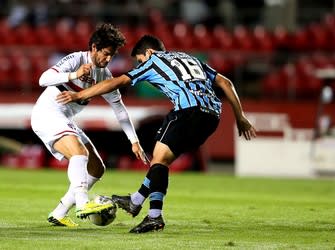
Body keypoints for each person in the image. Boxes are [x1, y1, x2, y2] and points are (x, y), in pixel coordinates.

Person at [56, 35, 256, 232]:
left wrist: (79, 94)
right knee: (161, 160)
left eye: (140, 60)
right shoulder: (192, 59)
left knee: (159, 161)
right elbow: (226, 83)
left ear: (149, 52)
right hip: (212, 117)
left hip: (188, 111)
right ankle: (135, 200)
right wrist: (240, 118)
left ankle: (154, 217)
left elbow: (117, 82)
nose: (141, 64)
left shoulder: (154, 61)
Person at [31, 23, 147, 227]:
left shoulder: (104, 76)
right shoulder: (76, 59)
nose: (108, 59)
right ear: (94, 47)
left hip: (64, 119)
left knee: (96, 168)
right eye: (105, 53)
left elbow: (119, 109)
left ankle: (59, 212)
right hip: (47, 114)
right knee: (79, 153)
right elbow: (43, 79)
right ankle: (83, 203)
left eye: (112, 55)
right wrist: (73, 75)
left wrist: (134, 141)